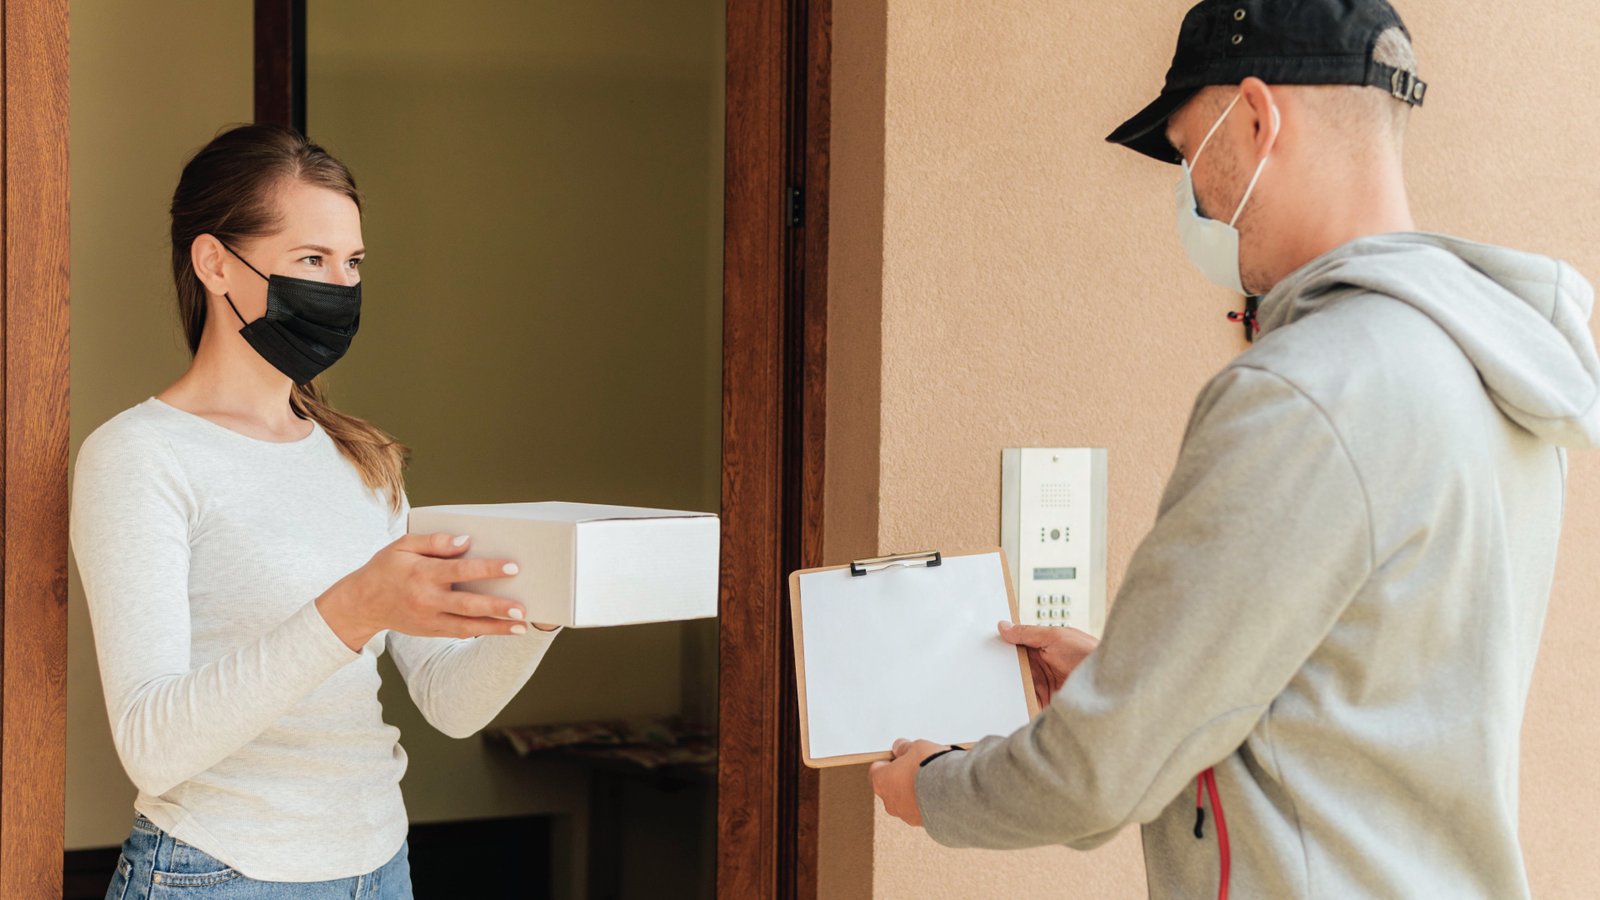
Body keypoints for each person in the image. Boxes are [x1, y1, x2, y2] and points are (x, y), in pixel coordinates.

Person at [868, 1, 1600, 897]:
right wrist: (1131, 679)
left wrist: (936, 787)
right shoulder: (1484, 367)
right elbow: (1364, 695)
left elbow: (1100, 773)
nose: (1195, 196)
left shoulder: (1303, 391)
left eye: (1187, 154)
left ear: (1257, 117)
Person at [71, 124, 561, 899]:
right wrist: (351, 609)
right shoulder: (140, 455)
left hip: (379, 868)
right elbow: (152, 745)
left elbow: (449, 701)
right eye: (310, 260)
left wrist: (546, 606)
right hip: (216, 875)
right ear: (214, 262)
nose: (339, 286)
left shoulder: (363, 457)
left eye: (352, 263)